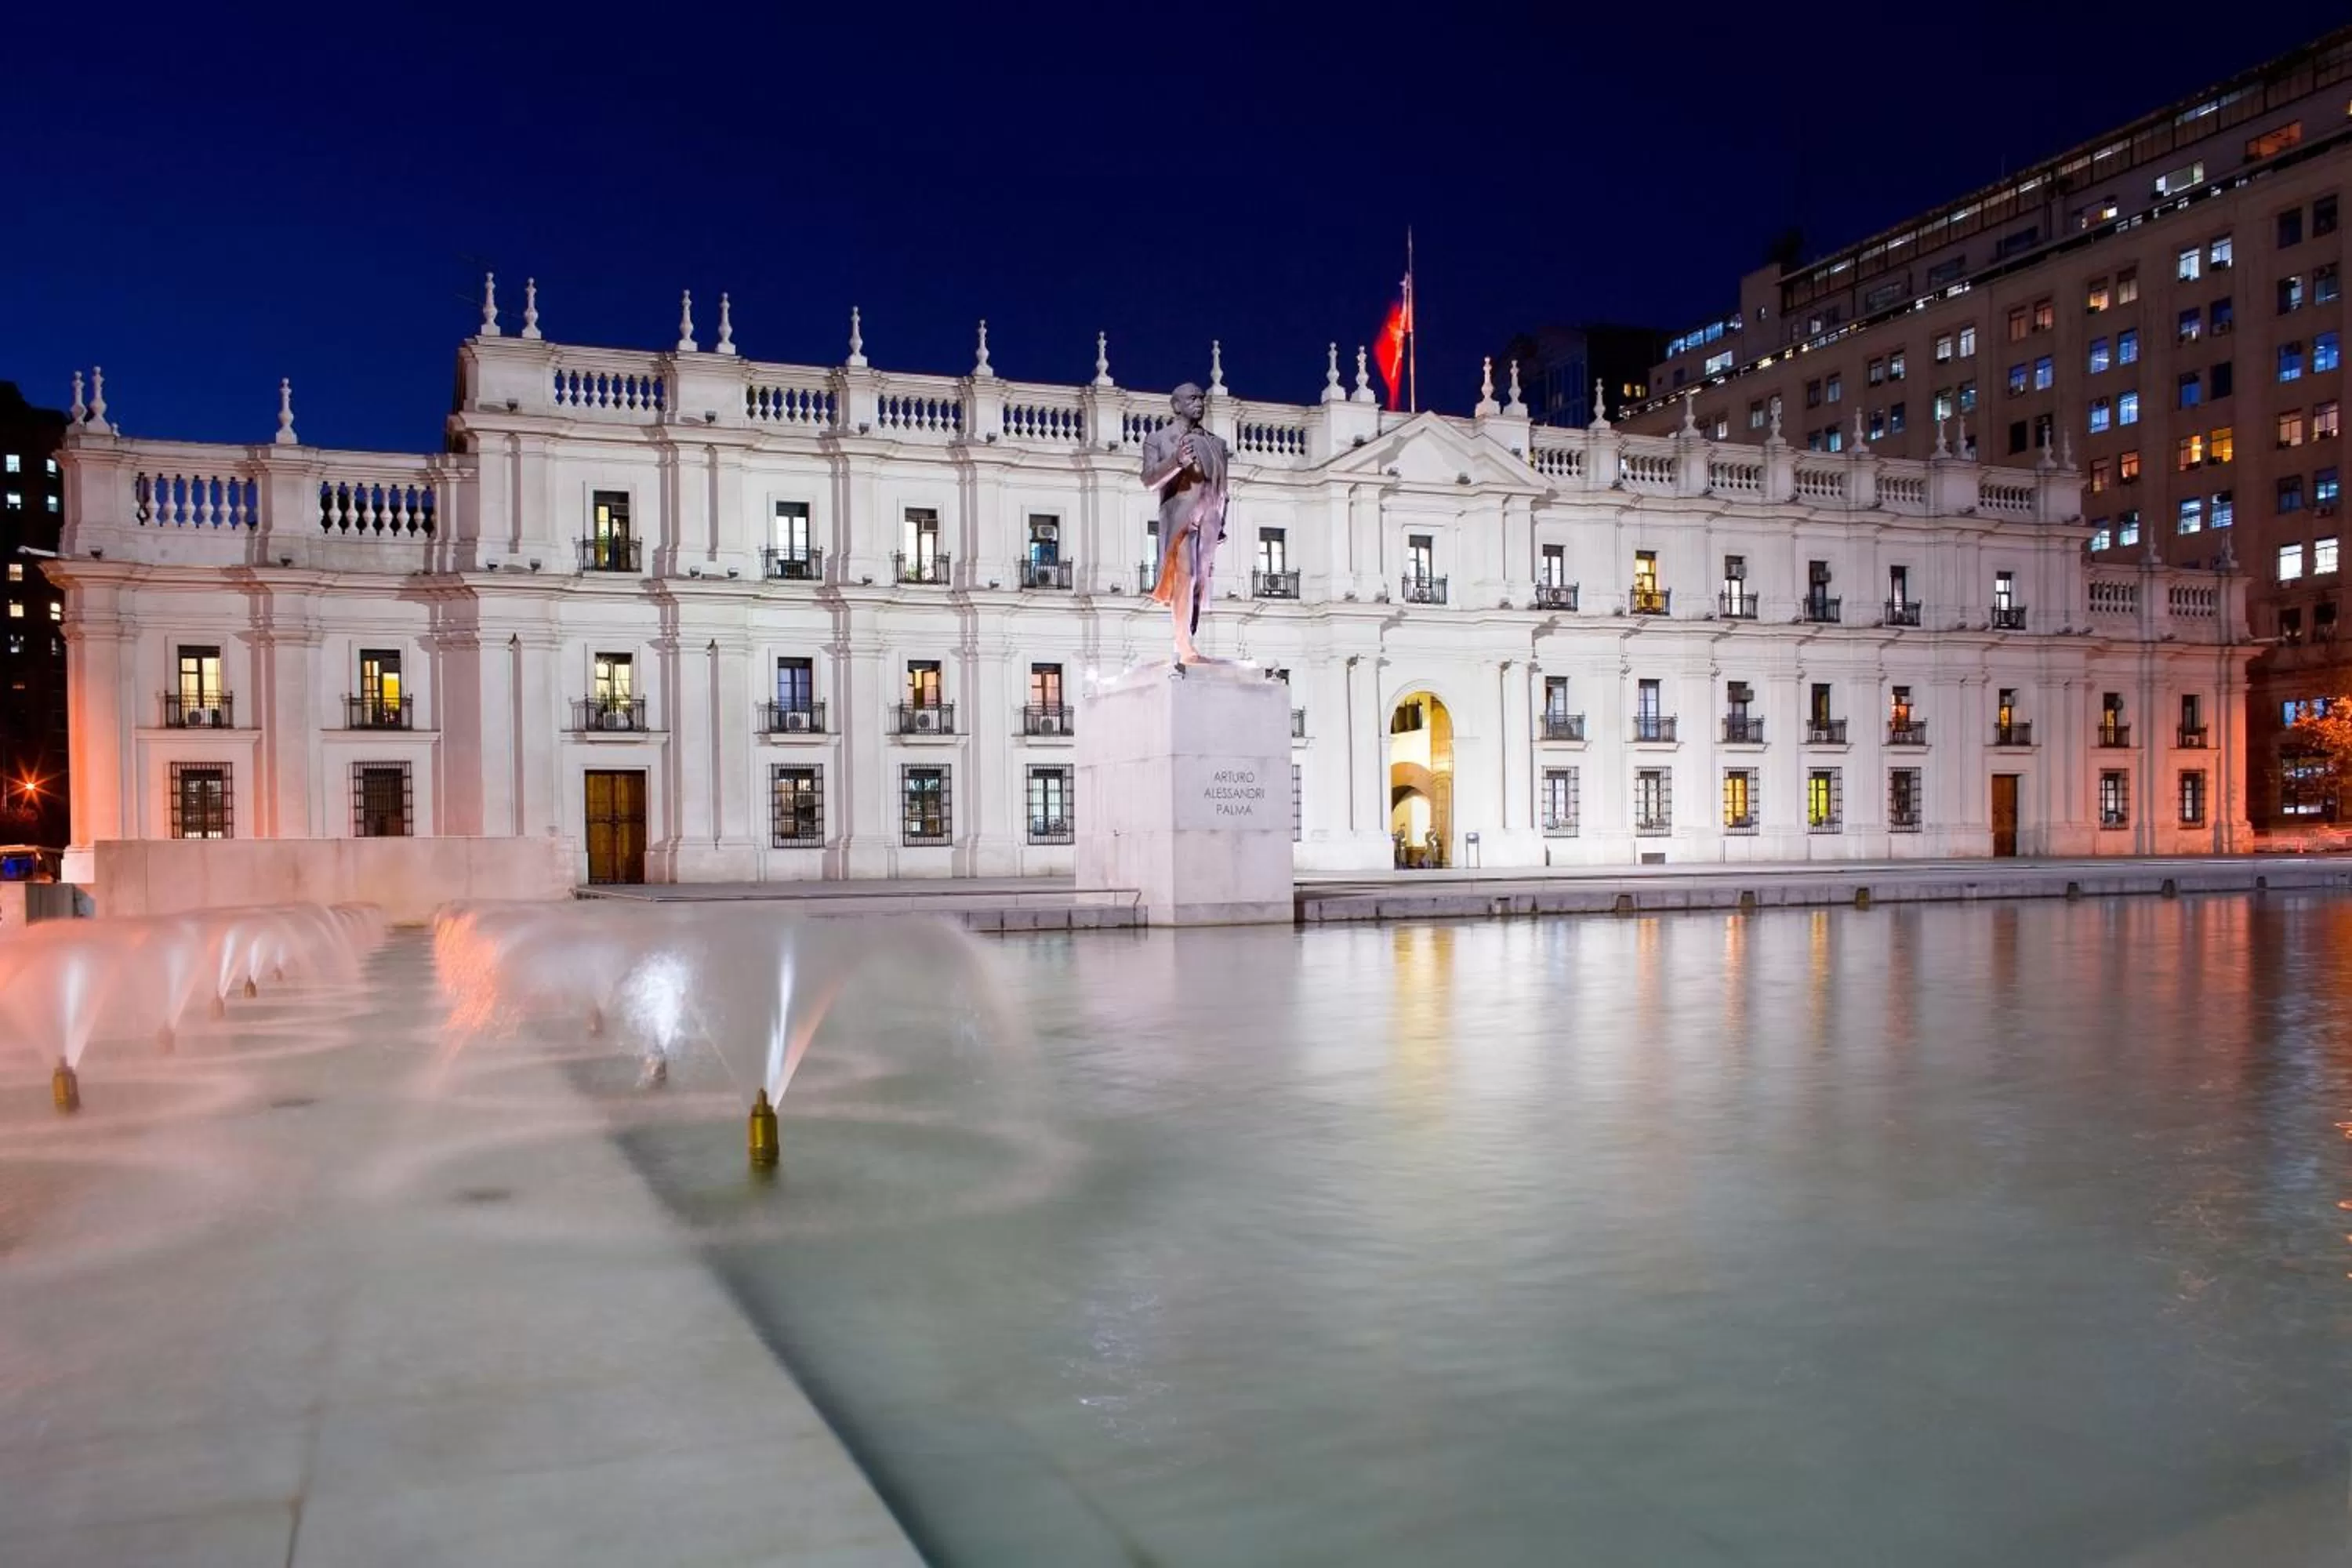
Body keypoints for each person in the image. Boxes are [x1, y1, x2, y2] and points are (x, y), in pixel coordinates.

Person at [1139, 383, 1231, 664]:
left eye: (1201, 398)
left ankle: (1188, 634)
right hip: (1181, 517)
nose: (1199, 403)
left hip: (1210, 516)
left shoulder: (1217, 444)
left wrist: (1222, 519)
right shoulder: (1159, 440)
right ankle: (1183, 642)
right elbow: (1148, 479)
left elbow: (1222, 485)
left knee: (1201, 581)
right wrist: (1176, 462)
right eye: (1192, 398)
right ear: (1176, 405)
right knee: (1186, 575)